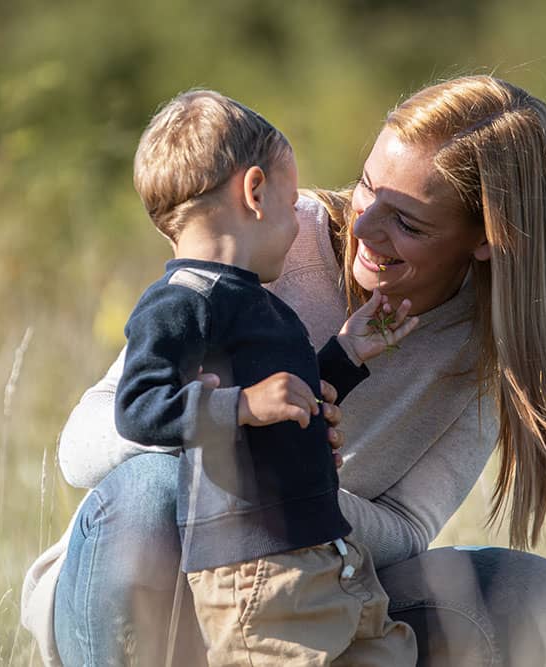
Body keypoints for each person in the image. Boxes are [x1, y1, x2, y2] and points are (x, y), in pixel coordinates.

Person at [22, 75, 546, 666]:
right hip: (165, 585)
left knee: (531, 597)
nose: (365, 226)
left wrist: (302, 490)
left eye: (409, 223)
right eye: (368, 187)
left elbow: (404, 530)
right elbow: (82, 445)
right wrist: (228, 430)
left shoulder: (485, 355)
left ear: (486, 238)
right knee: (152, 487)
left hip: (311, 592)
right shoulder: (267, 236)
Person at [113, 89, 419, 665]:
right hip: (256, 571)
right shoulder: (180, 302)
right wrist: (241, 405)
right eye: (290, 202)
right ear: (255, 191)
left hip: (323, 550)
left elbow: (289, 399)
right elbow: (137, 407)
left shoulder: (258, 302)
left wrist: (347, 353)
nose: (299, 224)